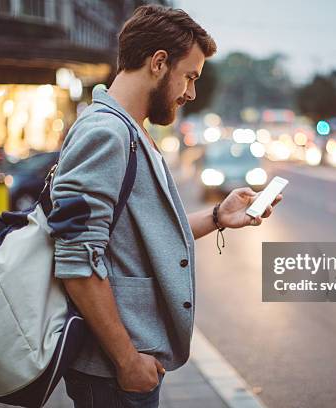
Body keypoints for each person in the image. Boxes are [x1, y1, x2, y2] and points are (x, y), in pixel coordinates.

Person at [48, 5, 283, 408]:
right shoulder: (106, 133)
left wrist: (216, 217)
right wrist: (126, 361)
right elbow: (76, 260)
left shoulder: (130, 129)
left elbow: (143, 234)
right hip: (113, 371)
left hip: (128, 363)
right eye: (189, 76)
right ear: (158, 63)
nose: (190, 92)